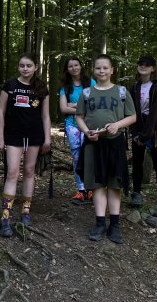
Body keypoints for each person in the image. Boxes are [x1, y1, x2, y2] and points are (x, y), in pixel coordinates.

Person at [75, 54, 136, 244]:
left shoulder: (121, 91)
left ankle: (115, 225)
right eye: (98, 68)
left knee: (114, 183)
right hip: (94, 143)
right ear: (93, 70)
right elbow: (79, 116)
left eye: (105, 68)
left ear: (112, 70)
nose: (101, 71)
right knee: (97, 183)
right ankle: (100, 223)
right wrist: (86, 132)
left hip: (115, 141)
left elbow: (132, 116)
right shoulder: (86, 93)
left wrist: (117, 125)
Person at [0, 53, 51, 237]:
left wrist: (48, 138)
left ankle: (25, 211)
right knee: (12, 172)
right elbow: (1, 111)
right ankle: (5, 217)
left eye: (28, 65)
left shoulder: (41, 88)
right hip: (13, 134)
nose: (25, 69)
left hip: (34, 135)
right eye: (22, 65)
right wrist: (0, 137)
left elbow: (45, 115)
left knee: (29, 171)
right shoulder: (10, 85)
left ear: (35, 67)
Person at [129, 55, 157, 211]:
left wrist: (145, 136)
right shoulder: (134, 88)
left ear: (153, 69)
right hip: (138, 129)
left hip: (156, 132)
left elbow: (156, 115)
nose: (143, 66)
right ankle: (136, 193)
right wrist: (135, 134)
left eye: (147, 65)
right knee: (137, 163)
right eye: (140, 64)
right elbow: (131, 112)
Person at [59, 56, 96, 205]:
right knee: (76, 157)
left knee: (89, 155)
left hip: (89, 125)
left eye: (76, 65)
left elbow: (94, 105)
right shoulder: (65, 87)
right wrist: (81, 106)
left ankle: (91, 188)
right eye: (70, 66)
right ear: (67, 69)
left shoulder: (91, 83)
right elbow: (63, 109)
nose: (74, 68)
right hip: (72, 126)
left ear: (81, 66)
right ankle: (81, 190)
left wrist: (73, 105)